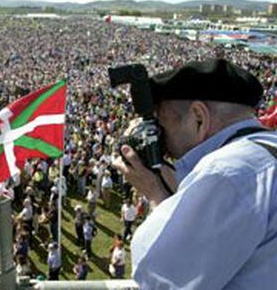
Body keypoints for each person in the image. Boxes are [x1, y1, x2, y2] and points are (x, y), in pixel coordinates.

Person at [113, 58, 277, 289]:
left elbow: (163, 278)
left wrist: (156, 196)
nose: (161, 138)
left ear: (199, 118)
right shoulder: (265, 151)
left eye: (162, 124)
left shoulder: (227, 172)